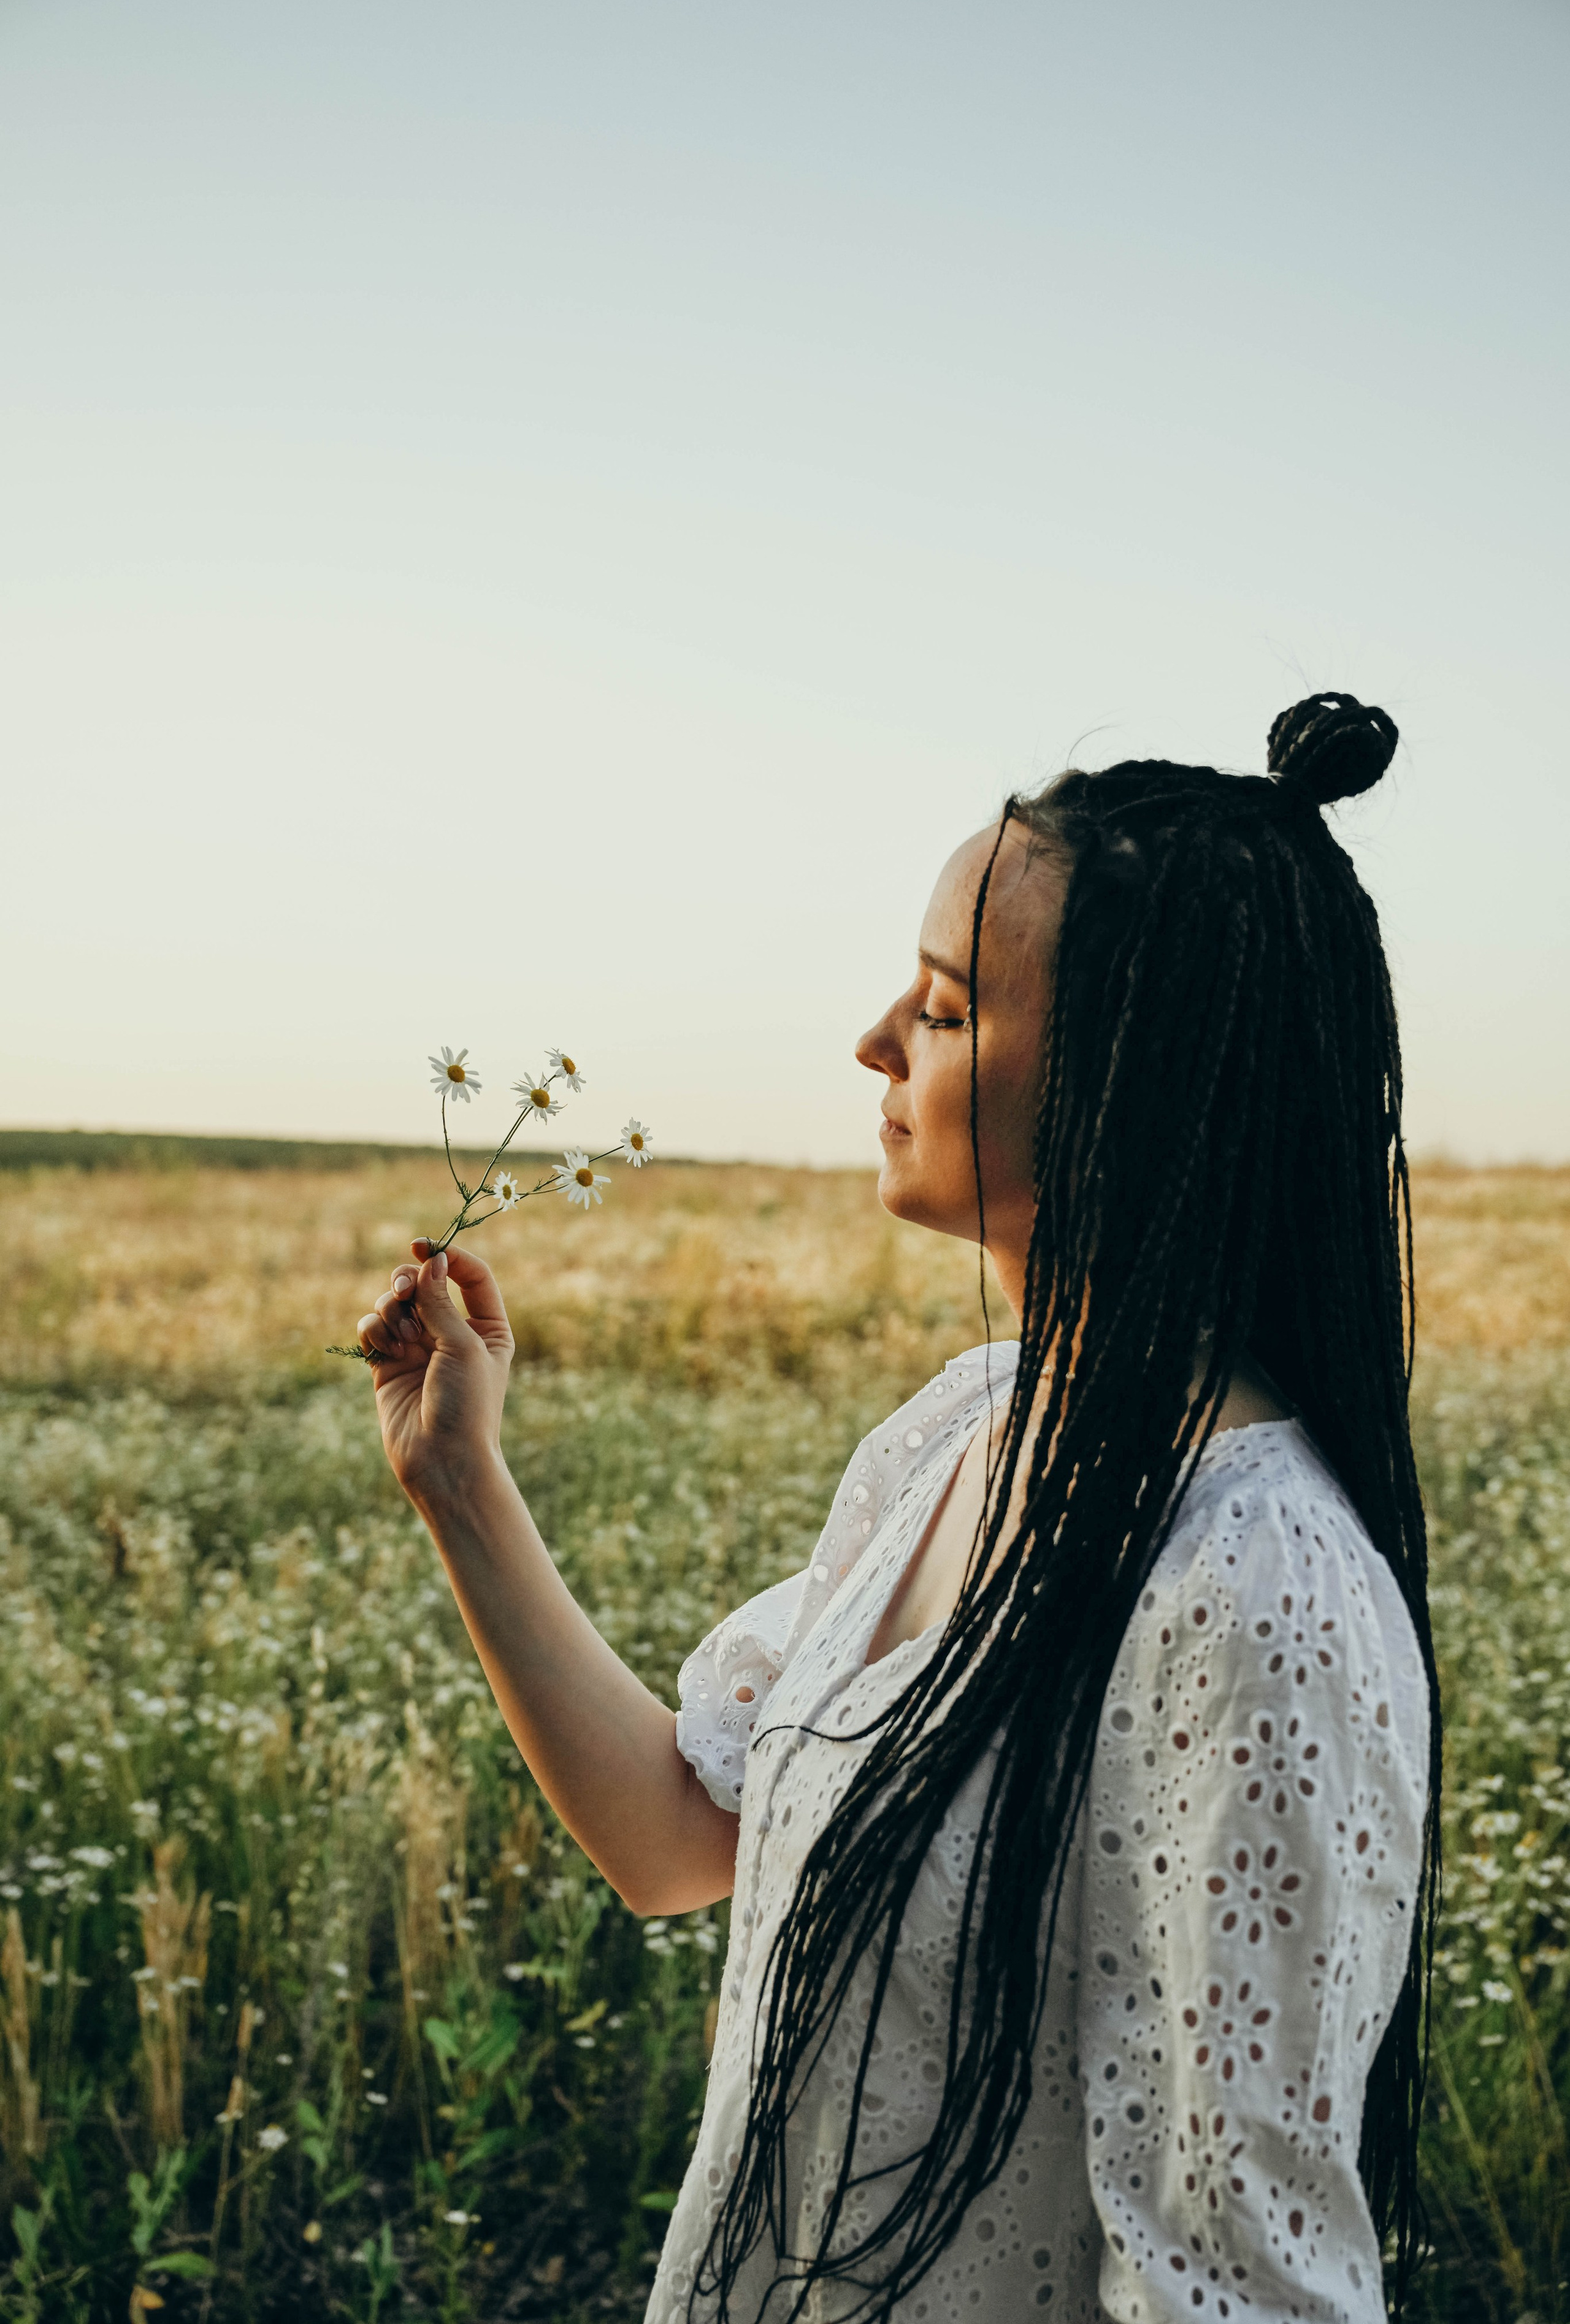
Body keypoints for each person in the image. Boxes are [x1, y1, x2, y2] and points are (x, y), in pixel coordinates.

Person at [355, 691, 1439, 2324]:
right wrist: (457, 1483)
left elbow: (1238, 2288)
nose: (875, 1041)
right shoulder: (963, 1437)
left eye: (941, 1007)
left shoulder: (1253, 1592)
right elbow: (673, 1841)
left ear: (1123, 1082)